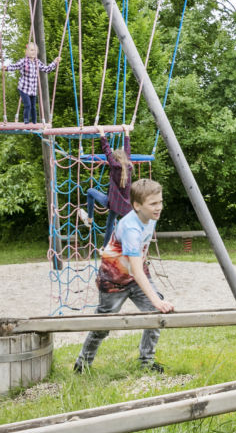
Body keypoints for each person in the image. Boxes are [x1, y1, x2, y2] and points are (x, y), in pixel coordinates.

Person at [73, 177, 174, 374]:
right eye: (153, 203)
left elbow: (138, 267)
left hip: (136, 277)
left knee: (154, 316)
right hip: (114, 280)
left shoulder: (150, 217)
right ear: (137, 205)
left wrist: (156, 302)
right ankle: (82, 365)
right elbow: (135, 269)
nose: (159, 207)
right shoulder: (131, 228)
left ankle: (146, 363)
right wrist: (156, 300)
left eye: (160, 202)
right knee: (102, 326)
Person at [82, 134, 134, 241]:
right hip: (124, 205)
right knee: (110, 223)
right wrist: (127, 134)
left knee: (90, 191)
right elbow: (126, 151)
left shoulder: (115, 167)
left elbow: (108, 152)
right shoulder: (128, 167)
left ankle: (90, 218)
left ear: (115, 160)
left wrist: (102, 135)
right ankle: (105, 247)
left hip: (112, 202)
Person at [3, 42, 59, 123]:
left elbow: (46, 69)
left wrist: (55, 62)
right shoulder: (24, 61)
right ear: (27, 52)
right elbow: (15, 66)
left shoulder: (37, 62)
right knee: (28, 105)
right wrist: (7, 68)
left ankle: (34, 122)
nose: (34, 52)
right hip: (23, 88)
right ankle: (26, 122)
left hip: (32, 90)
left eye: (35, 50)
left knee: (33, 106)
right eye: (32, 50)